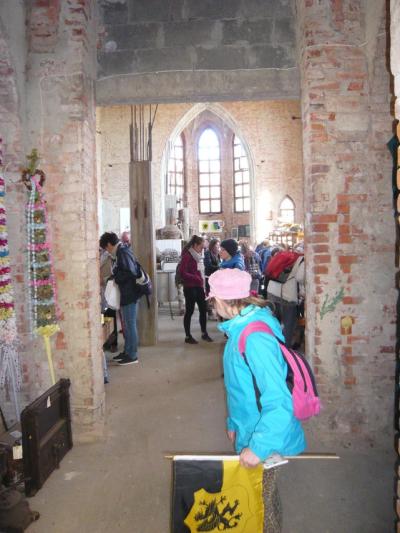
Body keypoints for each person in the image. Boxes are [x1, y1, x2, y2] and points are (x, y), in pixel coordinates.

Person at [207, 268, 306, 532]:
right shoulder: (240, 328)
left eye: (213, 300)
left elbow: (279, 400)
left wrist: (259, 447)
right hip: (249, 427)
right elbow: (241, 387)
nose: (212, 306)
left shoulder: (254, 338)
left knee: (261, 507)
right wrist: (233, 422)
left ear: (222, 300)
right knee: (262, 497)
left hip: (264, 437)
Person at [99, 231, 140, 365]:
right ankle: (127, 352)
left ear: (109, 244)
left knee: (130, 324)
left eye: (106, 248)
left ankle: (132, 355)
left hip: (130, 294)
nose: (107, 251)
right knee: (127, 325)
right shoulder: (121, 251)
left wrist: (115, 278)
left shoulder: (122, 252)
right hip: (126, 293)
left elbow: (130, 272)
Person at [266, 248, 305, 348]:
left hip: (272, 292)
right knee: (288, 325)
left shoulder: (286, 256)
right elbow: (300, 277)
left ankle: (273, 346)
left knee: (274, 323)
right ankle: (285, 349)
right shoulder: (302, 260)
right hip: (287, 295)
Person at [179, 235, 213, 344]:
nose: (202, 249)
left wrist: (202, 280)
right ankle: (187, 336)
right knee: (189, 311)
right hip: (190, 287)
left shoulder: (198, 256)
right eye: (201, 247)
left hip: (199, 286)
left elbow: (200, 271)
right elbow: (183, 273)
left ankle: (204, 333)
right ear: (195, 245)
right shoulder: (187, 256)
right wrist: (196, 277)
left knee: (203, 309)